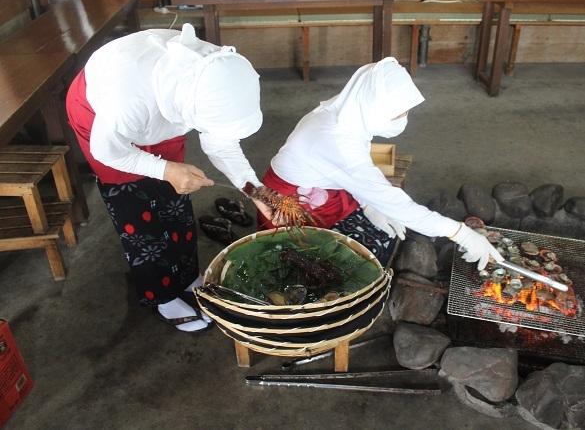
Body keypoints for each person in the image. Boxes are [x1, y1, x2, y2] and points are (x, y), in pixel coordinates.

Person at [66, 24, 268, 332]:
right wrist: (164, 169)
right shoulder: (127, 98)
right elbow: (109, 151)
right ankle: (162, 294)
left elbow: (221, 142)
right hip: (102, 121)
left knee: (175, 199)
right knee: (136, 210)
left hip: (158, 111)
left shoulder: (214, 76)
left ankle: (187, 277)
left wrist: (258, 193)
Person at [260, 57, 503, 269]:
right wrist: (461, 234)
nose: (404, 118)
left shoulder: (351, 110)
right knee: (353, 259)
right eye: (398, 113)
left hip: (327, 188)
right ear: (373, 107)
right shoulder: (337, 139)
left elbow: (360, 170)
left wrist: (368, 205)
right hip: (291, 204)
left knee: (384, 237)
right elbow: (394, 202)